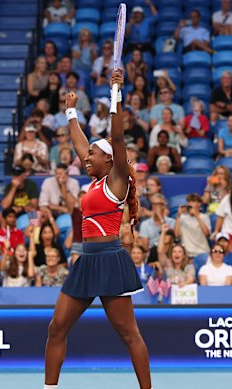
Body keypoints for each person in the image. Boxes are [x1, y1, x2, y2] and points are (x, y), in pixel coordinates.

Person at [44, 72, 151, 389]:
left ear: (109, 158)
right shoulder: (95, 180)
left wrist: (116, 92)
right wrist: (71, 112)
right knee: (56, 328)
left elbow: (117, 138)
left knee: (129, 334)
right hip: (85, 260)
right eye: (87, 154)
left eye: (92, 154)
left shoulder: (117, 179)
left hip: (109, 260)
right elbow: (79, 144)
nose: (85, 157)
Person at [174, 193, 211, 259]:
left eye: (193, 202)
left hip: (203, 253)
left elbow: (207, 234)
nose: (190, 204)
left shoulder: (204, 217)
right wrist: (178, 216)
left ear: (199, 204)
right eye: (189, 202)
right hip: (187, 255)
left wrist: (197, 216)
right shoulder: (182, 218)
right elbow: (176, 235)